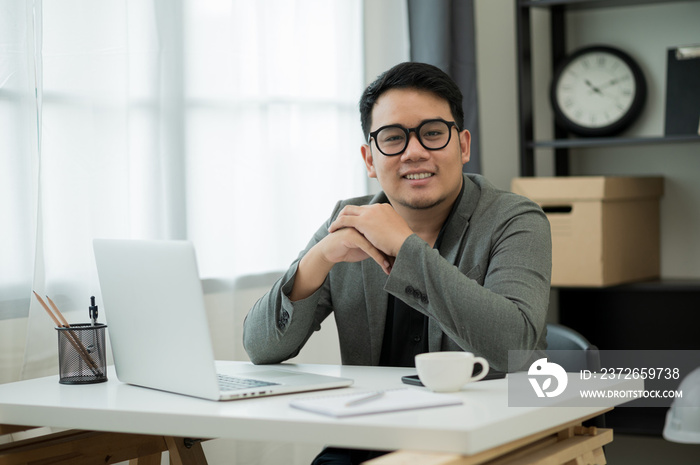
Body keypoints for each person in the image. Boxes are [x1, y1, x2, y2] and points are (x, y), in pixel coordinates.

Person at [243, 62, 551, 464]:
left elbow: (514, 346)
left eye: (433, 133)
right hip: (369, 436)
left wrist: (405, 246)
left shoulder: (515, 219)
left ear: (463, 145)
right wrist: (317, 260)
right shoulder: (350, 218)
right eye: (393, 138)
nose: (415, 151)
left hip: (482, 440)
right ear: (370, 159)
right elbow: (260, 347)